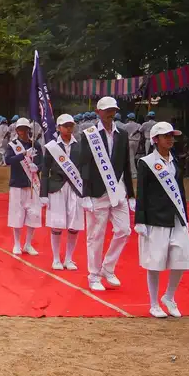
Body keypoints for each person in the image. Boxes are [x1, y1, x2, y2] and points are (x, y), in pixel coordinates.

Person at [76, 96, 135, 292]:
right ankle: (93, 276)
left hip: (118, 191)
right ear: (98, 113)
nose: (111, 113)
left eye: (114, 110)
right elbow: (83, 165)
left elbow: (126, 165)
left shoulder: (122, 135)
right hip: (96, 192)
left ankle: (107, 268)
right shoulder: (89, 135)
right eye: (107, 110)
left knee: (124, 230)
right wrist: (84, 195)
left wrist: (132, 194)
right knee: (96, 235)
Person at [135, 122, 189, 318]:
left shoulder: (175, 162)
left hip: (176, 217)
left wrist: (185, 214)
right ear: (155, 139)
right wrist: (140, 220)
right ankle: (153, 303)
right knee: (156, 261)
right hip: (155, 218)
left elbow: (181, 190)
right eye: (165, 136)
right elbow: (141, 192)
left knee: (182, 257)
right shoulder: (146, 162)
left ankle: (169, 296)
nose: (170, 139)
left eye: (171, 135)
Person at [39, 114, 84, 271]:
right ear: (58, 128)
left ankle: (69, 259)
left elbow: (84, 169)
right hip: (56, 188)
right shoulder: (52, 147)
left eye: (71, 125)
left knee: (74, 225)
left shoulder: (79, 145)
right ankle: (56, 258)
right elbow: (45, 171)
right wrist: (43, 194)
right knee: (57, 225)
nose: (69, 128)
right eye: (65, 126)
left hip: (75, 189)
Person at [5, 117, 43, 255]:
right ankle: (16, 244)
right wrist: (23, 155)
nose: (23, 132)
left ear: (29, 130)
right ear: (17, 130)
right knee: (17, 214)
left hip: (32, 184)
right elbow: (8, 160)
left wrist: (36, 167)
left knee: (33, 215)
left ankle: (28, 244)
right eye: (20, 129)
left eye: (25, 129)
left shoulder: (36, 145)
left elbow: (42, 163)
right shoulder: (13, 145)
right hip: (17, 184)